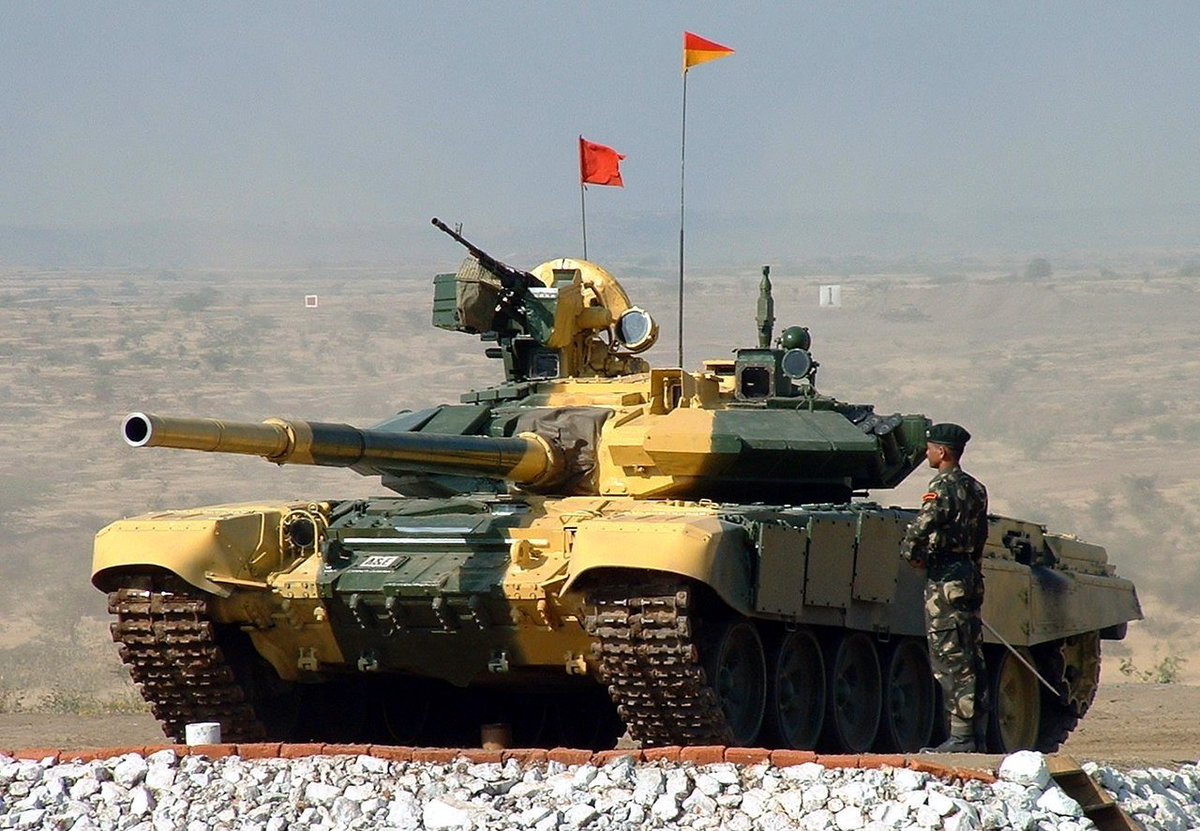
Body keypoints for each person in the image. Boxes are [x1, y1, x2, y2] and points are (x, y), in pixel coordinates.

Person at [900, 422, 990, 753]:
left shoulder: (942, 486)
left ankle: (962, 738)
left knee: (950, 657)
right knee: (971, 654)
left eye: (930, 449)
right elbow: (981, 535)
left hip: (945, 578)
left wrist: (913, 556)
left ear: (942, 452)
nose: (927, 453)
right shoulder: (976, 488)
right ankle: (977, 734)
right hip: (968, 574)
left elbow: (921, 527)